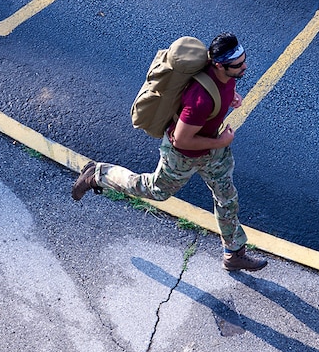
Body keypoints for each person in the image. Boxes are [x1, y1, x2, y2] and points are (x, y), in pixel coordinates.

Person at [72, 32, 268, 272]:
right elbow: (182, 141)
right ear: (218, 65)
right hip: (184, 156)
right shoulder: (201, 100)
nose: (244, 67)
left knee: (227, 198)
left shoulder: (224, 72)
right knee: (154, 190)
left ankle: (234, 253)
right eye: (238, 65)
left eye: (244, 60)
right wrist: (221, 142)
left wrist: (231, 98)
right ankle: (99, 174)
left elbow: (221, 91)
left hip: (212, 150)